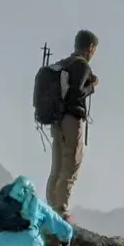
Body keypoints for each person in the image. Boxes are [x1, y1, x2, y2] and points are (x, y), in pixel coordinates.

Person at [46, 29, 99, 218]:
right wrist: (92, 86)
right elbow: (76, 94)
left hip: (56, 119)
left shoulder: (64, 64)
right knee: (71, 165)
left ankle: (51, 207)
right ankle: (61, 210)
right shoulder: (82, 66)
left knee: (57, 165)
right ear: (91, 48)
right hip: (71, 119)